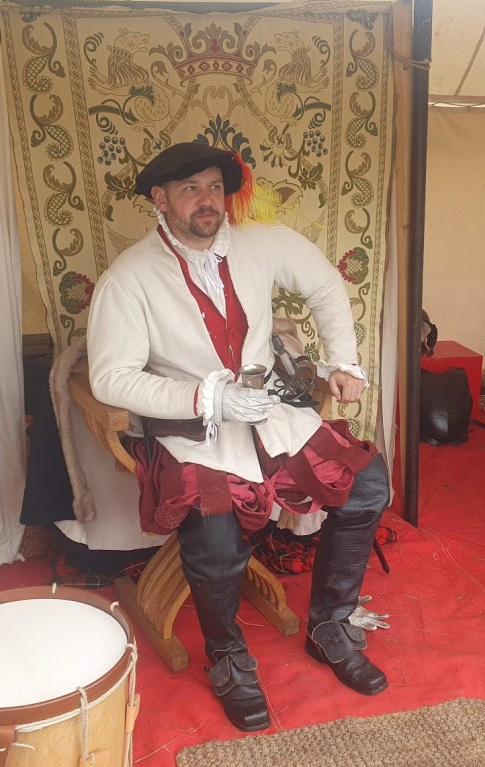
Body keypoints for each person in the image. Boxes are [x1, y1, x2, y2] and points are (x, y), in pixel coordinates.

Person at [86, 142, 390, 732]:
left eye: (212, 187)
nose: (207, 201)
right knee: (218, 536)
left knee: (367, 488)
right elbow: (110, 376)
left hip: (270, 412)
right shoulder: (129, 276)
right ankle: (227, 658)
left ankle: (330, 624)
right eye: (189, 189)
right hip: (190, 430)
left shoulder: (262, 242)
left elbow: (326, 286)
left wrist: (345, 362)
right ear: (160, 199)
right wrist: (205, 397)